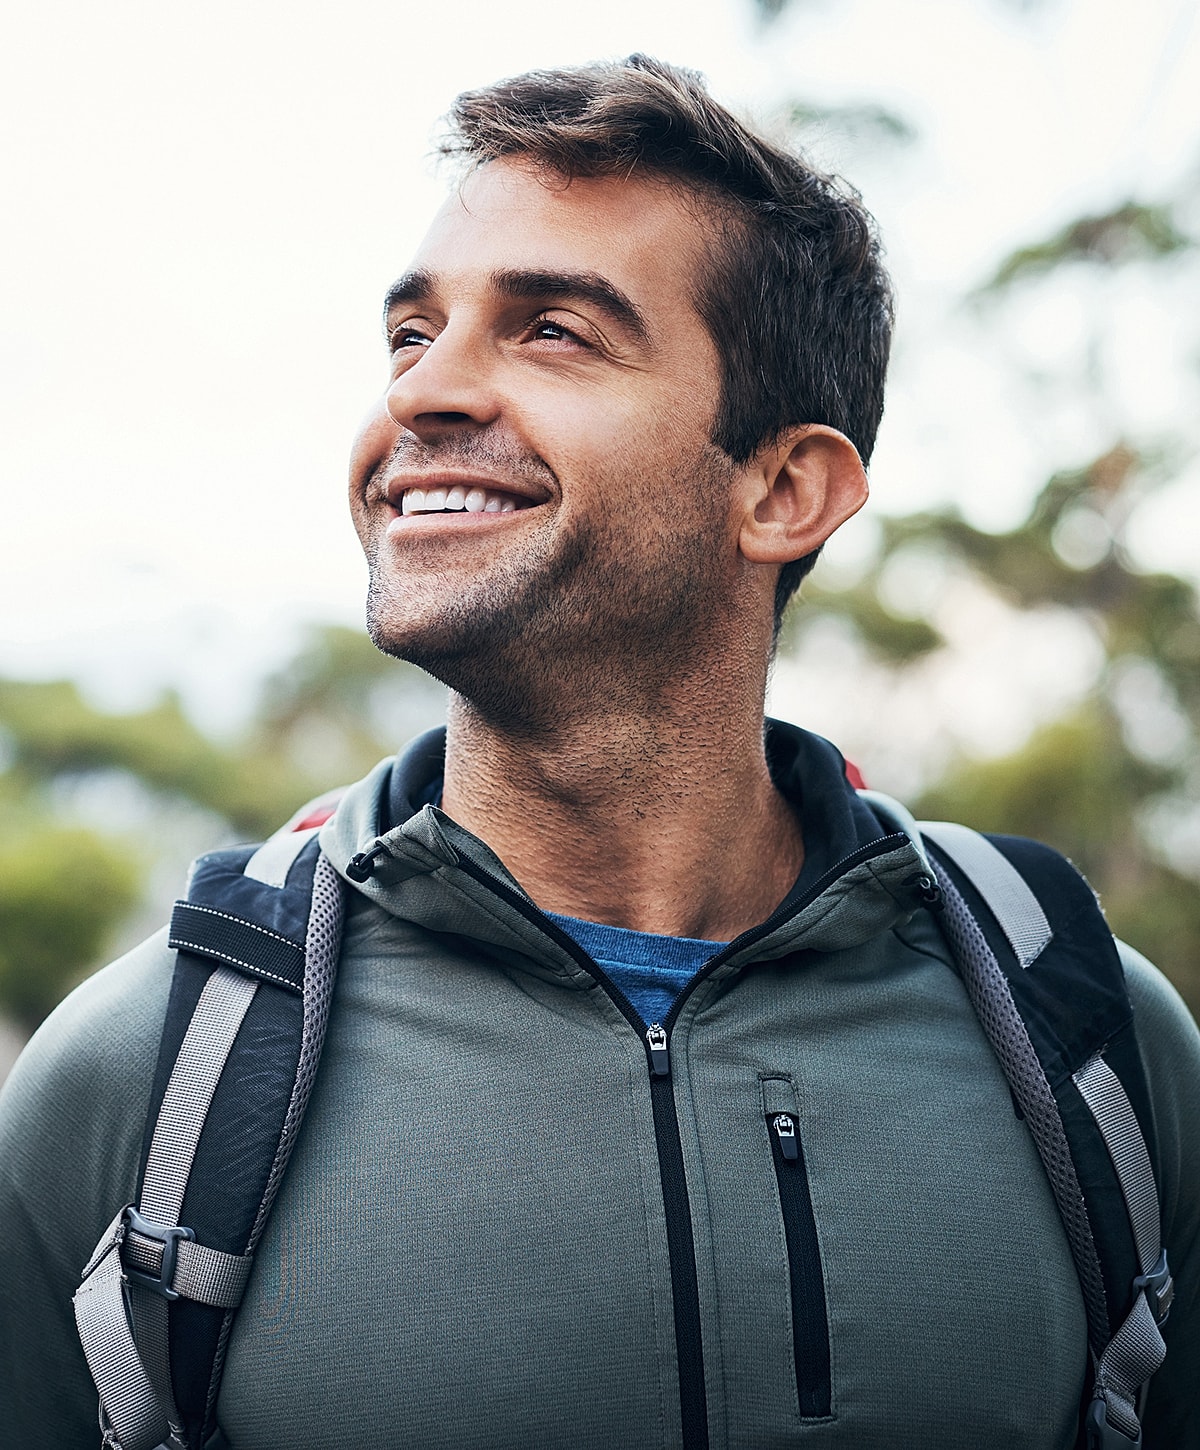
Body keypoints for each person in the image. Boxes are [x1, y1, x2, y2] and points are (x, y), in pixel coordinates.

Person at [0, 54, 1196, 1450]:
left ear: (784, 488)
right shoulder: (150, 1074)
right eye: (411, 333)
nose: (423, 396)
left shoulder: (1089, 1041)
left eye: (553, 331)